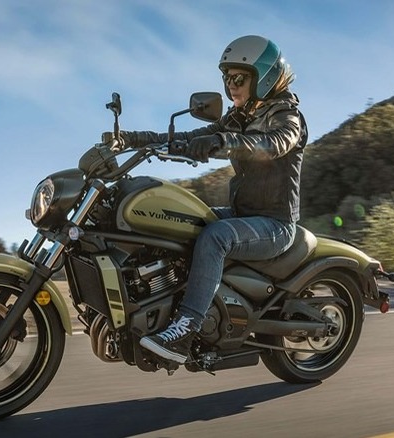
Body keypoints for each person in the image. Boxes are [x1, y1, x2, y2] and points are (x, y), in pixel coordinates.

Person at [117, 35, 308, 364]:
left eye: (238, 78)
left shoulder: (288, 118)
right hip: (241, 214)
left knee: (215, 237)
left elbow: (272, 144)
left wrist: (223, 141)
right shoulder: (239, 117)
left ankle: (186, 327)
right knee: (175, 220)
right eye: (226, 78)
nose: (230, 86)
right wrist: (134, 139)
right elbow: (191, 136)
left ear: (262, 76)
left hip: (275, 225)